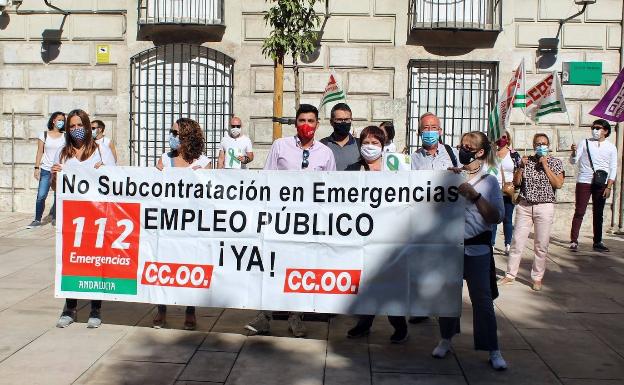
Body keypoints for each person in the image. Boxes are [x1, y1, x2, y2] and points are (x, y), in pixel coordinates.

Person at [245, 104, 336, 338]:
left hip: (308, 223)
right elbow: (266, 179)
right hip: (279, 219)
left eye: (311, 121)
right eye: (302, 120)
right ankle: (264, 316)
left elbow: (333, 189)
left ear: (318, 124)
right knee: (272, 267)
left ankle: (296, 316)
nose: (306, 125)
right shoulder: (280, 146)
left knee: (300, 268)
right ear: (295, 123)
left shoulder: (325, 153)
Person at [432, 131, 507, 371]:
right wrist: (448, 182)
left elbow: (496, 216)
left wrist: (475, 196)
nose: (463, 149)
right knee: (447, 296)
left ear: (480, 152)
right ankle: (445, 338)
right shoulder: (453, 176)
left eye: (468, 146)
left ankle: (492, 348)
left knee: (482, 300)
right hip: (450, 248)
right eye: (461, 145)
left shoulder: (489, 181)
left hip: (477, 249)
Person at [52, 109, 117, 329]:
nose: (76, 129)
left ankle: (95, 308)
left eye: (80, 125)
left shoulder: (100, 151)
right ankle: (70, 307)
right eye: (72, 126)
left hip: (96, 216)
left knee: (94, 262)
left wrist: (105, 171)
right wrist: (54, 176)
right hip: (71, 218)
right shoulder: (63, 153)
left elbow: (115, 181)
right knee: (72, 261)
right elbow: (56, 188)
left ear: (88, 127)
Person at [344, 125, 409, 343]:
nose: (370, 147)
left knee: (390, 282)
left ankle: (399, 324)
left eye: (375, 143)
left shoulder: (396, 168)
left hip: (390, 236)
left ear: (383, 146)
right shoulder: (352, 170)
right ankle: (364, 323)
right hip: (362, 236)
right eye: (366, 143)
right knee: (366, 282)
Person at [153, 118, 212, 330]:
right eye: (172, 132)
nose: (172, 137)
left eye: (177, 133)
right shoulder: (163, 160)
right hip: (166, 223)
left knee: (190, 266)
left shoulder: (203, 163)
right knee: (163, 264)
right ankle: (161, 310)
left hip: (191, 224)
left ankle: (190, 310)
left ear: (188, 136)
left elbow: (207, 197)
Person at [498, 134, 564, 291]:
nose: (541, 146)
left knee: (541, 244)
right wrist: (521, 167)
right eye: (538, 143)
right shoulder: (527, 161)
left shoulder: (555, 162)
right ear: (533, 145)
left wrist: (545, 165)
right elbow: (516, 183)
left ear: (549, 145)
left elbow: (558, 183)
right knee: (517, 241)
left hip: (544, 206)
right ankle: (510, 274)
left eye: (544, 143)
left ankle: (537, 277)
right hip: (525, 205)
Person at [408, 112, 457, 324]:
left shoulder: (453, 154)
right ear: (419, 133)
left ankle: (443, 308)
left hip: (447, 220)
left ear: (440, 131)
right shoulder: (412, 158)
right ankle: (421, 308)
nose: (429, 132)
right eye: (425, 128)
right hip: (422, 220)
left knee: (445, 267)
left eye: (433, 127)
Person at [569, 119, 618, 252]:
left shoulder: (611, 147)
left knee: (598, 212)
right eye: (593, 127)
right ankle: (573, 240)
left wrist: (609, 186)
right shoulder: (584, 143)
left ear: (606, 131)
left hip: (601, 183)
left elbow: (613, 167)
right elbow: (573, 161)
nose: (595, 130)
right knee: (579, 211)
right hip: (584, 180)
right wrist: (573, 152)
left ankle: (597, 241)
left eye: (598, 128)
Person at [27, 112, 66, 229]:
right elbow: (40, 151)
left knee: (57, 195)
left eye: (63, 120)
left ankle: (56, 218)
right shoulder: (44, 134)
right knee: (41, 196)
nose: (61, 122)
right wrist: (36, 167)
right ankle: (37, 220)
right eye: (59, 119)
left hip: (59, 170)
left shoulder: (65, 136)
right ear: (53, 120)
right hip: (45, 169)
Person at [486, 130, 521, 254]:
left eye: (504, 137)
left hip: (508, 190)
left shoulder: (514, 154)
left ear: (508, 139)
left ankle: (508, 244)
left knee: (507, 218)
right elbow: (488, 169)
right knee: (493, 219)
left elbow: (519, 169)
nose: (501, 139)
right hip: (493, 190)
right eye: (499, 137)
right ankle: (491, 244)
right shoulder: (492, 153)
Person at [320, 103, 360, 171]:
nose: (343, 123)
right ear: (331, 122)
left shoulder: (360, 144)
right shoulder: (323, 145)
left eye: (347, 119)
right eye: (339, 120)